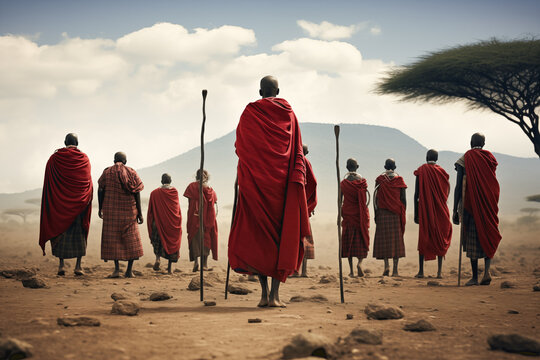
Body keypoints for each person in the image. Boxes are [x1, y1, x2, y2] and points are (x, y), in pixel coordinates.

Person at [228, 75, 310, 308]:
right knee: (280, 241)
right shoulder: (290, 115)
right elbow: (297, 154)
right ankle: (274, 297)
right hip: (282, 191)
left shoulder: (250, 112)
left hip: (256, 189)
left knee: (260, 243)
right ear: (278, 90)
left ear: (260, 91)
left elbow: (240, 147)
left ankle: (264, 296)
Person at [39, 133, 93, 276]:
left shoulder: (54, 158)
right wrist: (85, 199)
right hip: (79, 205)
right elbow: (88, 183)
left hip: (59, 206)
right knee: (79, 233)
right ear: (78, 142)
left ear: (64, 142)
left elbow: (49, 183)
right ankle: (78, 266)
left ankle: (61, 266)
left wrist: (52, 202)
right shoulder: (84, 158)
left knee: (60, 233)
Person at [453, 133, 501, 286]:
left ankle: (474, 277)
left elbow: (459, 185)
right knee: (487, 234)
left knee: (472, 238)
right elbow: (491, 182)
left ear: (470, 142)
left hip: (471, 204)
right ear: (484, 143)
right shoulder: (489, 159)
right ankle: (486, 271)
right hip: (488, 203)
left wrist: (455, 209)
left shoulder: (465, 158)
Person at [98, 152, 144, 278]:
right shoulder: (132, 172)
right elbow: (137, 192)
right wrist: (140, 212)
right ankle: (129, 271)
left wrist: (100, 207)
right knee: (131, 241)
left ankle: (117, 270)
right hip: (129, 212)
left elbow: (100, 189)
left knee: (114, 240)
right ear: (126, 161)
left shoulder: (107, 172)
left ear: (114, 160)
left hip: (111, 212)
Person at [413, 149, 452, 279]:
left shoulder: (422, 170)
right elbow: (447, 192)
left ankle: (421, 272)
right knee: (441, 239)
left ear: (426, 157)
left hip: (425, 211)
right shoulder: (442, 172)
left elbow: (416, 194)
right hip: (442, 211)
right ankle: (439, 272)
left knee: (424, 238)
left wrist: (416, 213)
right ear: (437, 158)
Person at [373, 158, 407, 276]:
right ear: (395, 167)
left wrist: (376, 214)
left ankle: (386, 265)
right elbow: (403, 199)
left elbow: (375, 199)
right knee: (395, 243)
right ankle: (395, 270)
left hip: (382, 213)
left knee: (385, 241)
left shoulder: (380, 180)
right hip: (395, 214)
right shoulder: (399, 180)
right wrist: (403, 213)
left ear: (384, 167)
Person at [183, 169, 218, 272]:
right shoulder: (210, 190)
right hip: (208, 219)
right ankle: (204, 265)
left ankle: (196, 262)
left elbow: (190, 202)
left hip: (195, 217)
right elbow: (214, 205)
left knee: (196, 238)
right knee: (206, 240)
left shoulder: (192, 186)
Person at [147, 173, 182, 274]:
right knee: (172, 245)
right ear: (170, 181)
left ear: (161, 181)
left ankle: (157, 259)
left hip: (158, 223)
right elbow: (177, 209)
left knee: (158, 242)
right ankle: (169, 269)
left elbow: (151, 211)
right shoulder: (174, 192)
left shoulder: (154, 193)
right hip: (172, 224)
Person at [340, 158, 370, 277]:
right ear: (357, 167)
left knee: (349, 243)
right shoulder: (361, 182)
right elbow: (365, 199)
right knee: (361, 240)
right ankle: (360, 263)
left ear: (347, 167)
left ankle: (352, 271)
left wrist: (339, 215)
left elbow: (339, 199)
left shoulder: (343, 183)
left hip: (347, 214)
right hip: (359, 215)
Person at [293, 144, 317, 278]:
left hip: (294, 207)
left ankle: (296, 270)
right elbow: (313, 183)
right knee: (304, 240)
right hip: (303, 207)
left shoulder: (294, 162)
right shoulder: (305, 162)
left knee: (296, 241)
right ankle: (303, 272)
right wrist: (309, 204)